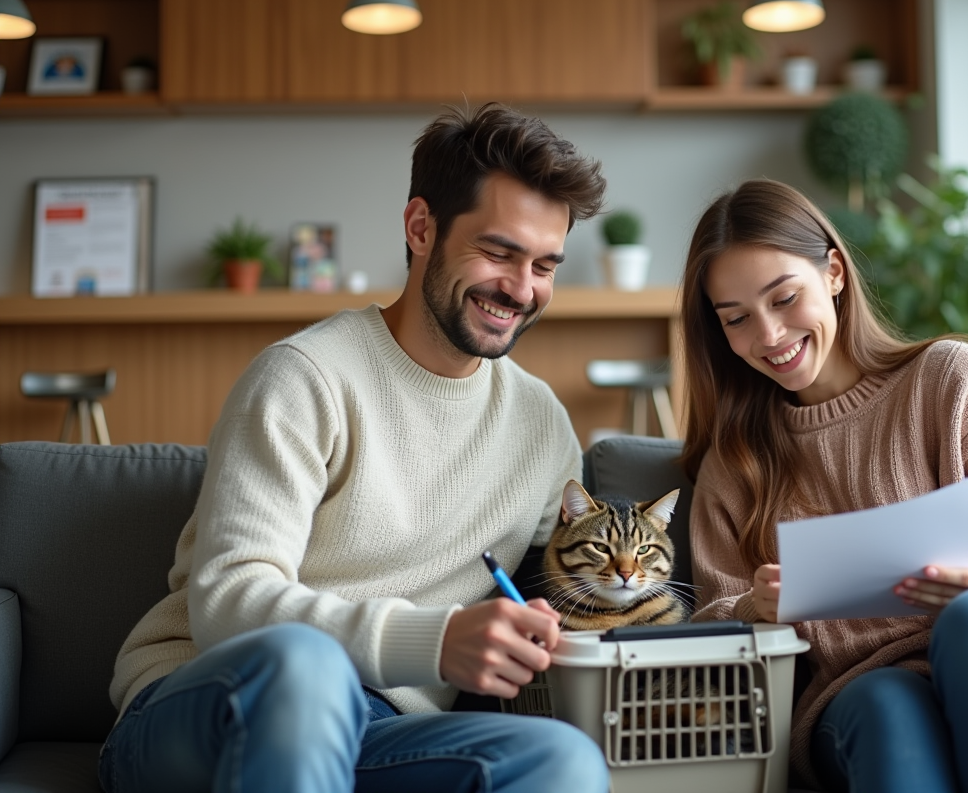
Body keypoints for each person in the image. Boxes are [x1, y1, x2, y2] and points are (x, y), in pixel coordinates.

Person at [101, 103, 611, 793]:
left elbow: (567, 588)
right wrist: (435, 640)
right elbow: (227, 601)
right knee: (305, 668)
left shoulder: (543, 428)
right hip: (210, 705)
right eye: (499, 252)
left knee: (564, 762)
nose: (522, 290)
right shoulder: (304, 376)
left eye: (545, 265)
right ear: (421, 227)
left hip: (382, 732)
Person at [680, 179, 968, 793]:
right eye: (737, 319)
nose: (768, 335)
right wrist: (751, 610)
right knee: (882, 703)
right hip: (871, 693)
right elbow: (713, 632)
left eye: (784, 298)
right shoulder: (734, 464)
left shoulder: (948, 382)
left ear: (835, 274)